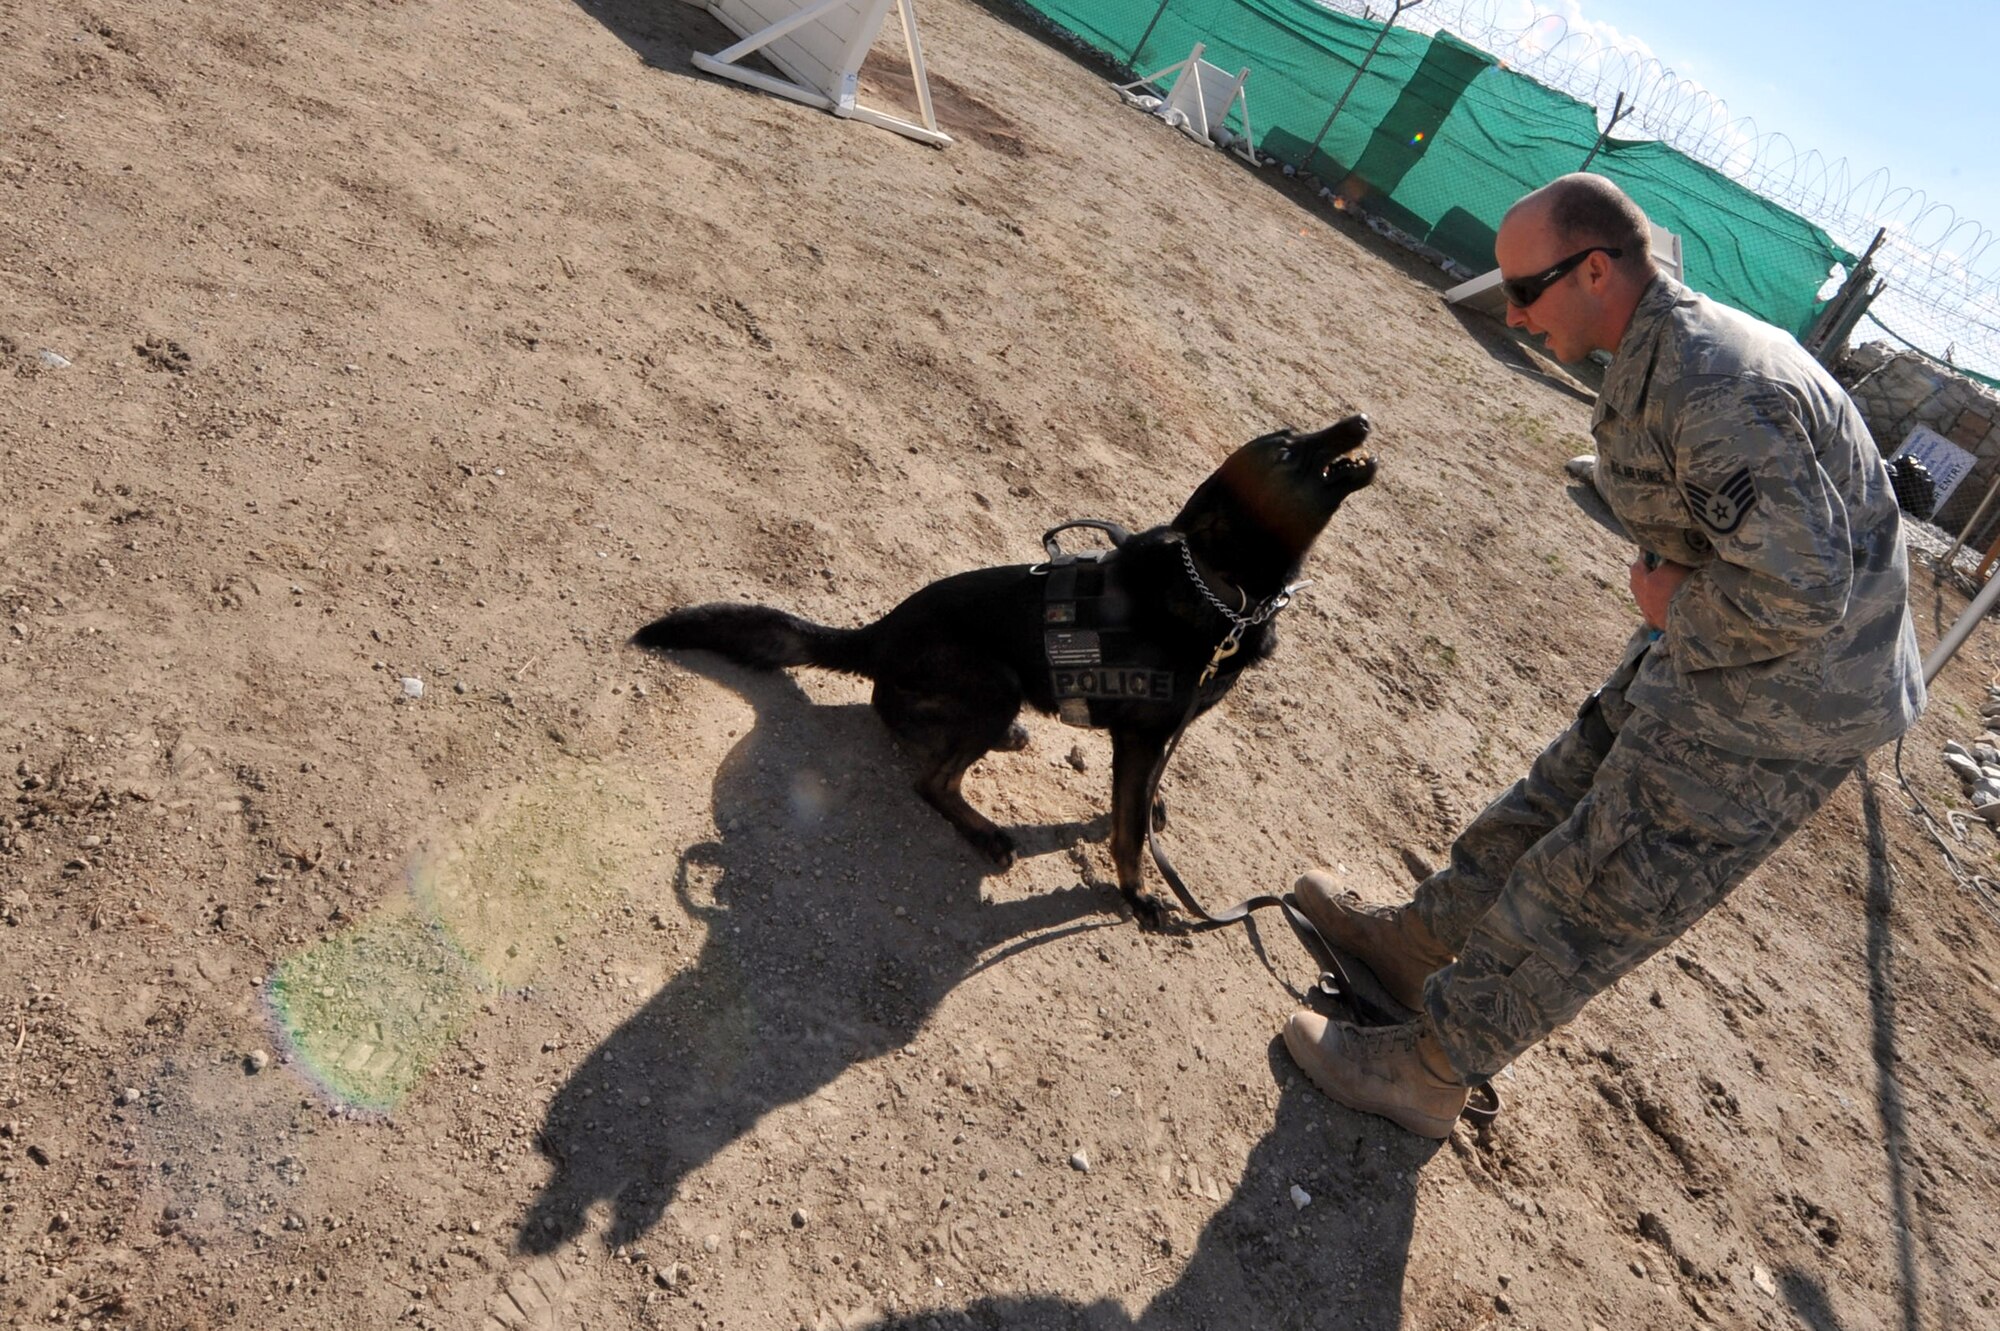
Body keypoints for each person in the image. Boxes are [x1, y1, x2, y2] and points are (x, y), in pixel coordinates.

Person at [1281, 173, 1926, 1138]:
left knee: (1596, 877)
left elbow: (1798, 591)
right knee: (1559, 792)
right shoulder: (1664, 350)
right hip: (1723, 647)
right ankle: (1416, 948)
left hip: (1787, 697)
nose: (1511, 311)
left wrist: (1673, 601)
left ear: (1594, 270)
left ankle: (1432, 1066)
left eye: (1526, 290)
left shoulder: (1717, 385)